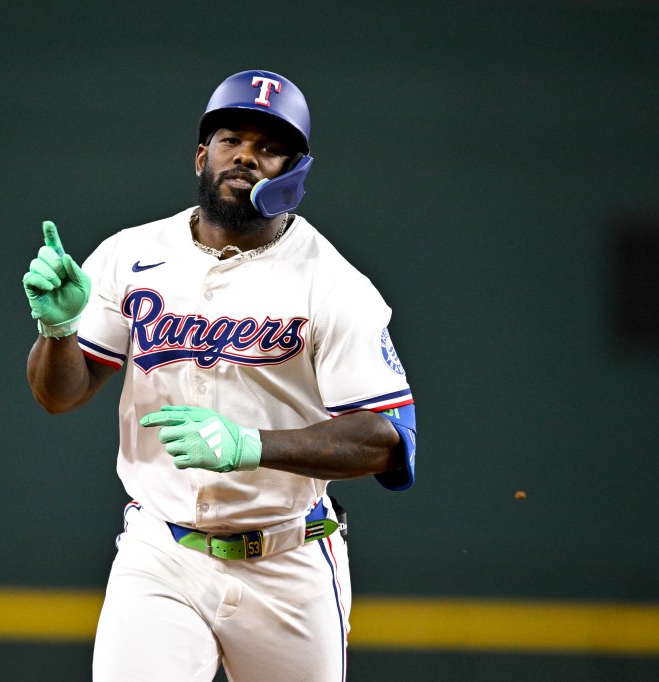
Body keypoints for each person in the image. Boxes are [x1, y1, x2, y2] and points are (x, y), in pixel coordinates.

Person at [23, 69, 417, 682]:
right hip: (163, 552)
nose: (245, 157)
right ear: (201, 155)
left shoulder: (334, 284)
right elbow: (60, 394)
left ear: (294, 173)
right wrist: (58, 332)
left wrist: (250, 446)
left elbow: (387, 438)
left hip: (289, 560)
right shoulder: (130, 255)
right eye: (231, 139)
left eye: (268, 147)